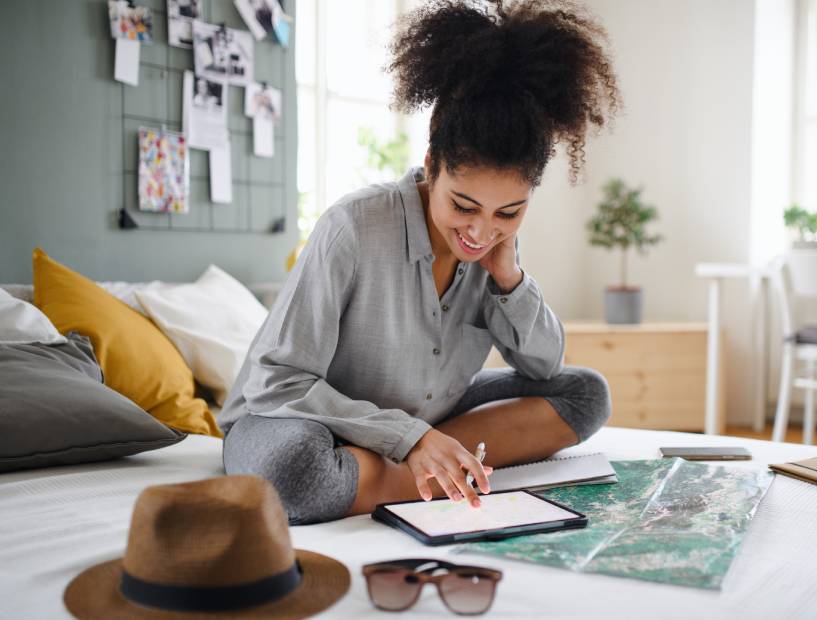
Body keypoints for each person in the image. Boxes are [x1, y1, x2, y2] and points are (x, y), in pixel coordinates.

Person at [220, 0, 620, 524]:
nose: (480, 231)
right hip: (300, 418)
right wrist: (410, 437)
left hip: (426, 411)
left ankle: (396, 467)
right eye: (463, 205)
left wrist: (509, 278)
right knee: (297, 472)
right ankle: (425, 468)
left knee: (586, 392)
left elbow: (544, 367)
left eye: (509, 211)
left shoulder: (493, 245)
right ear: (432, 164)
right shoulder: (355, 226)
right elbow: (277, 383)